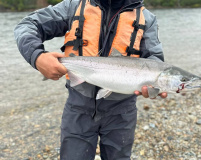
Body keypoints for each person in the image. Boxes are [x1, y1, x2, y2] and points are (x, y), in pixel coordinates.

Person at [14, 0, 167, 159]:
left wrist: (155, 84)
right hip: (78, 107)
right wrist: (37, 56)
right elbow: (26, 25)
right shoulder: (73, 7)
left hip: (122, 112)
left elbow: (155, 61)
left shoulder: (147, 19)